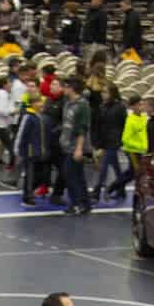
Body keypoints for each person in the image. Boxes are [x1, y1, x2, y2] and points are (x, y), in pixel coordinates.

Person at [59, 77, 92, 215]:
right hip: (67, 145)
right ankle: (85, 203)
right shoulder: (68, 104)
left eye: (66, 86)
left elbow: (82, 129)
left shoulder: (82, 106)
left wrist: (79, 148)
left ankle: (76, 203)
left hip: (75, 147)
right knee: (78, 175)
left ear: (72, 88)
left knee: (70, 175)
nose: (64, 89)